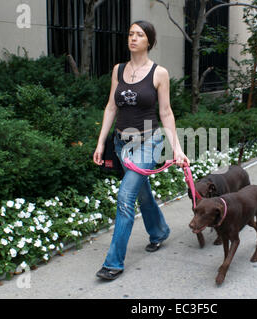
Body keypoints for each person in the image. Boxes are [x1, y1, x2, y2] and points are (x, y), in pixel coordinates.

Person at [92, 20, 190, 280]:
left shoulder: (159, 73)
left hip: (148, 143)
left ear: (149, 41)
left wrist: (176, 149)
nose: (133, 38)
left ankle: (113, 263)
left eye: (139, 34)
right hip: (121, 144)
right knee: (142, 194)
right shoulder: (118, 70)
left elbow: (166, 113)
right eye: (131, 34)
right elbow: (111, 107)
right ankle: (159, 232)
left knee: (125, 198)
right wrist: (101, 142)